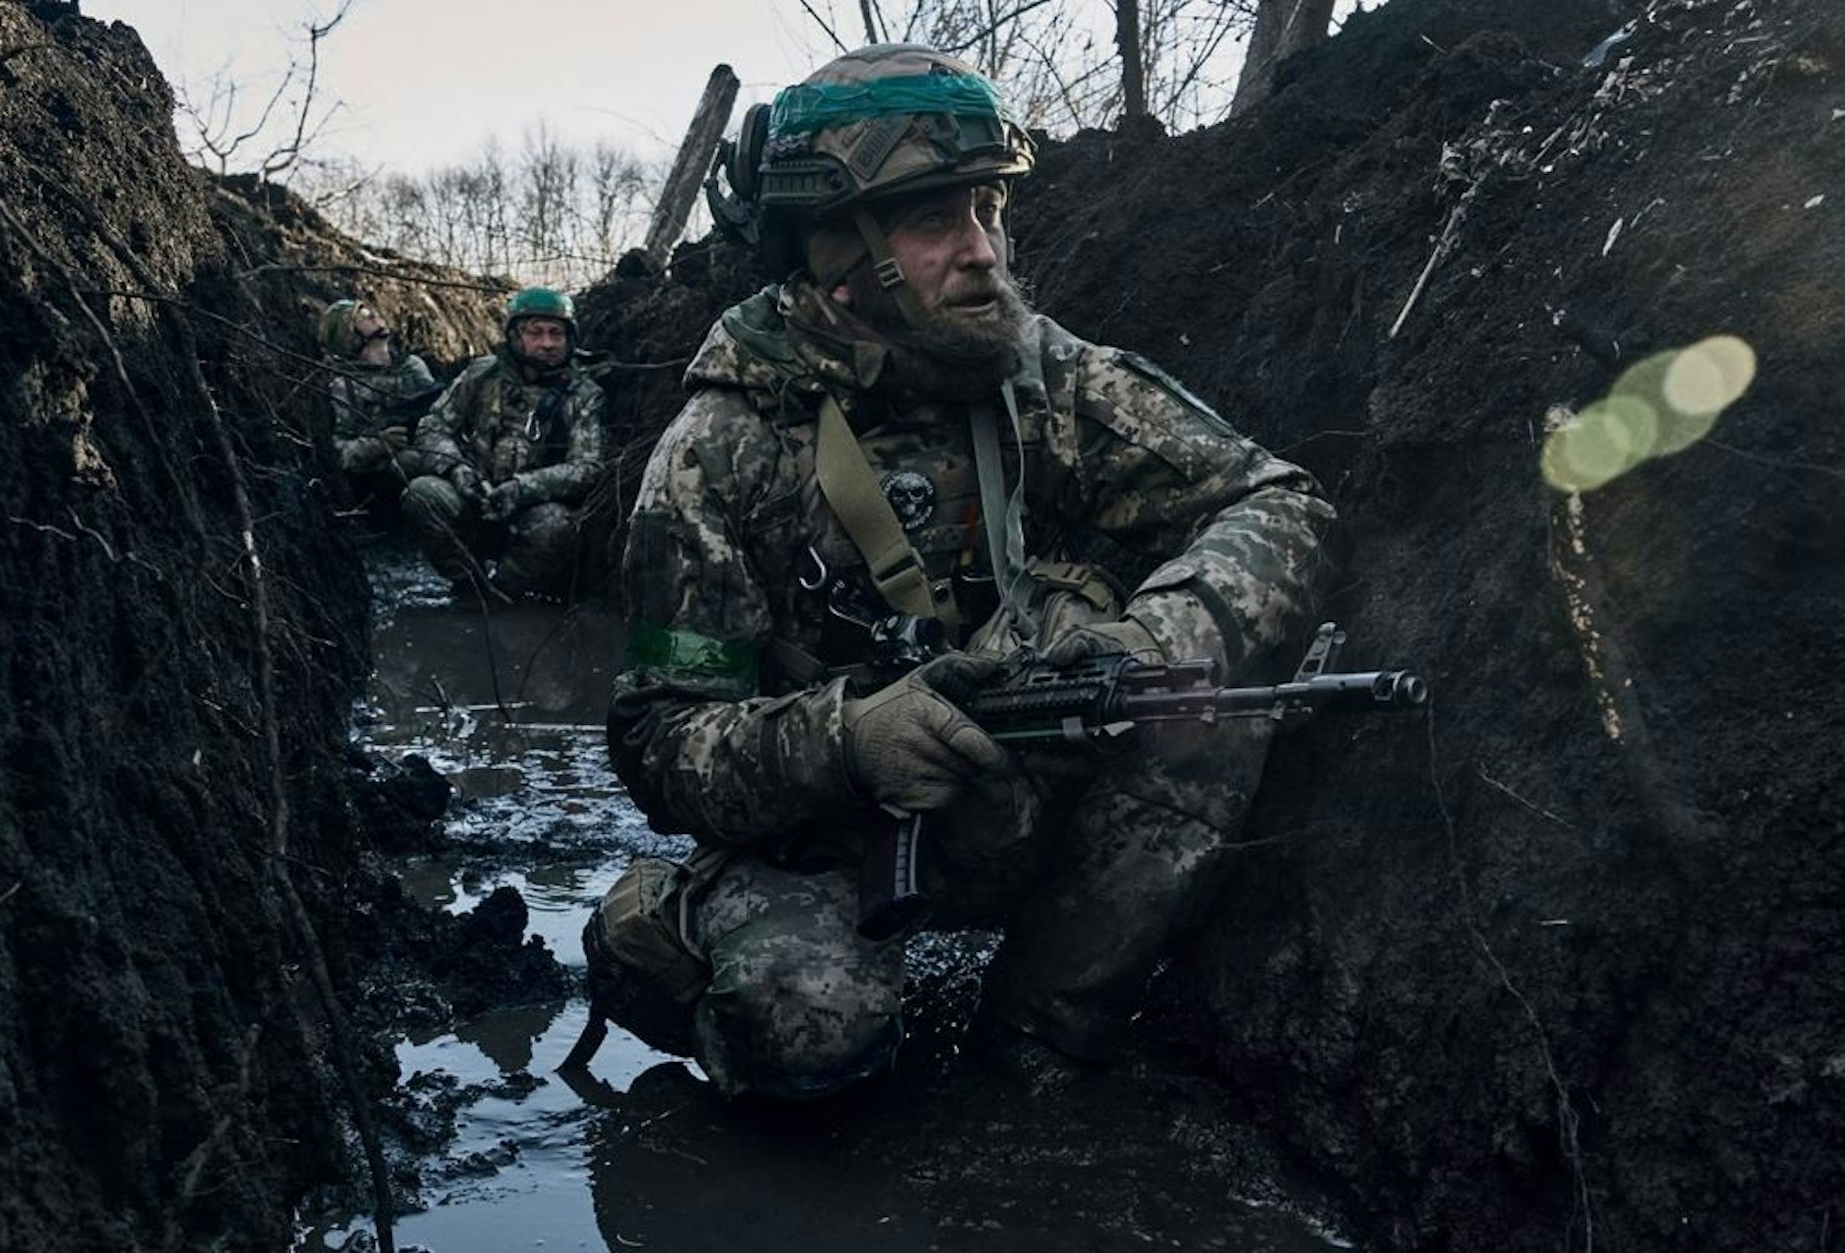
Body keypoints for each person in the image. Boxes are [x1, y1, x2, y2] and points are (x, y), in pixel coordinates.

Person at [582, 44, 1336, 1101]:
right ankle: (659, 934)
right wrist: (848, 736)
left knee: (1205, 710)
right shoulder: (719, 447)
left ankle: (1035, 1045)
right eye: (936, 219)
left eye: (988, 209)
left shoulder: (1035, 372)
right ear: (834, 246)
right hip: (822, 837)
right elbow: (659, 742)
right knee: (805, 1033)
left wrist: (1150, 643)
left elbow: (1276, 499)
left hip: (1013, 780)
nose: (983, 252)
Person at [401, 286, 609, 600]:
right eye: (535, 333)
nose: (547, 344)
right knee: (422, 493)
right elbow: (433, 426)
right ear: (514, 335)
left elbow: (588, 467)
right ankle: (469, 588)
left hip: (533, 511)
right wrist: (458, 470)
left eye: (556, 334)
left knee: (557, 526)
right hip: (474, 497)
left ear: (570, 339)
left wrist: (523, 488)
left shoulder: (584, 394)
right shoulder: (482, 375)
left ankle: (505, 598)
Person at [319, 298, 440, 501]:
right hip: (381, 478)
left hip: (430, 446)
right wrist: (377, 444)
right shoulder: (344, 387)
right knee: (408, 462)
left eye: (371, 311)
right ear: (349, 336)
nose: (374, 316)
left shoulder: (412, 366)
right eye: (363, 316)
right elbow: (337, 454)